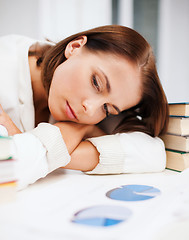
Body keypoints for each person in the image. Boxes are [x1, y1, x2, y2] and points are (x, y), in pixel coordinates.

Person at [0, 25, 168, 190]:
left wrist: (73, 132)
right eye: (96, 83)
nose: (90, 109)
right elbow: (5, 172)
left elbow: (153, 153)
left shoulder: (91, 107)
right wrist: (71, 137)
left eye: (107, 109)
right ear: (74, 47)